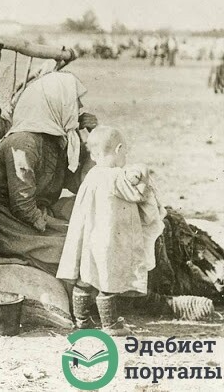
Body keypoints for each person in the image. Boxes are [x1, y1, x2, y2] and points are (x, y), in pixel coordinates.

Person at [0, 71, 98, 276]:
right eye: (74, 101)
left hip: (28, 213)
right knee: (68, 249)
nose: (80, 108)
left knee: (85, 234)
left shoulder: (58, 139)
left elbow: (80, 184)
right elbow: (22, 205)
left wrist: (95, 139)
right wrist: (53, 225)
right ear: (55, 103)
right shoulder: (23, 143)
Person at [55, 126, 166, 335]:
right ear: (119, 149)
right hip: (109, 239)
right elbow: (139, 194)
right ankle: (110, 324)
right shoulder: (117, 177)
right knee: (108, 277)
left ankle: (81, 320)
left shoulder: (92, 175)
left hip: (89, 237)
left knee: (85, 278)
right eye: (125, 153)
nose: (125, 157)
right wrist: (142, 173)